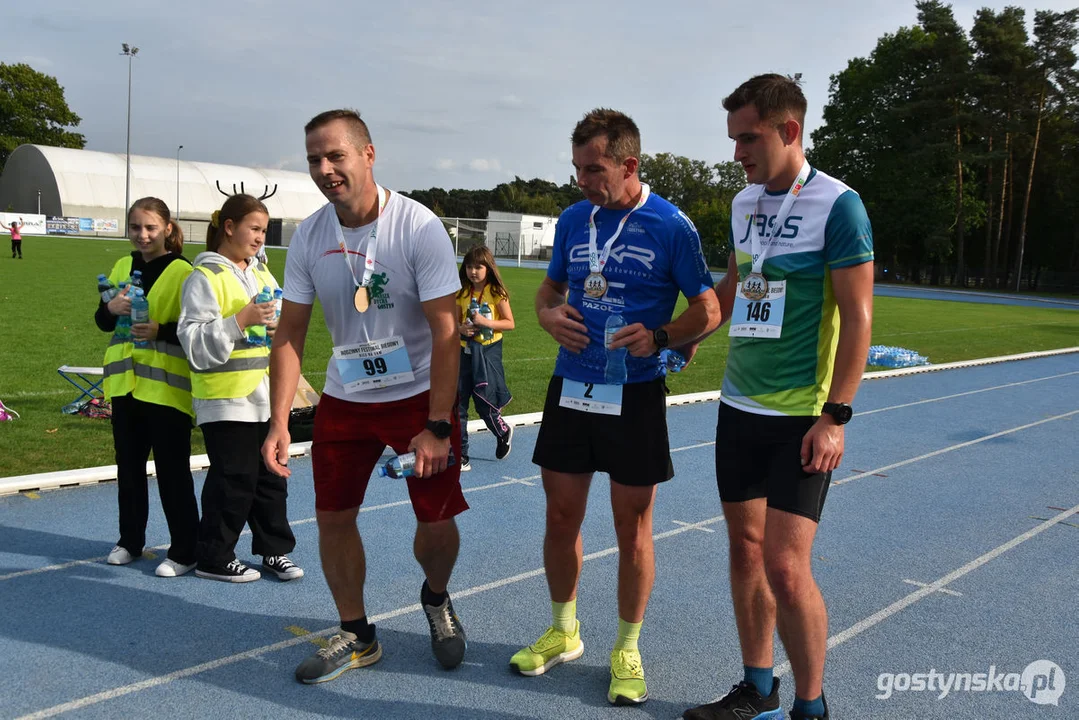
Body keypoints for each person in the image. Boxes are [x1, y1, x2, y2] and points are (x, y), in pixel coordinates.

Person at [512, 108, 721, 706]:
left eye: (593, 168)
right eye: (577, 167)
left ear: (629, 165)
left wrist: (660, 337)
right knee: (560, 517)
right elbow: (550, 290)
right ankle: (563, 630)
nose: (581, 180)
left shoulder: (671, 225)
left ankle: (627, 646)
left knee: (632, 528)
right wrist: (548, 315)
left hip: (633, 394)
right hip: (572, 388)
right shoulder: (576, 219)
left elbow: (707, 310)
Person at [681, 74, 874, 720]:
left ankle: (810, 706)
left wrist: (835, 416)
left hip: (799, 418)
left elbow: (857, 319)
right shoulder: (742, 206)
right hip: (737, 408)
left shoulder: (838, 205)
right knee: (743, 550)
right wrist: (676, 335)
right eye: (732, 139)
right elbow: (731, 291)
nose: (735, 153)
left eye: (747, 138)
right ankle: (756, 685)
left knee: (786, 569)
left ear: (788, 131)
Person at [261, 109, 468, 684]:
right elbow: (291, 332)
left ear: (368, 154)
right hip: (346, 397)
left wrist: (439, 425)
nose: (325, 170)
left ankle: (436, 596)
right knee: (332, 518)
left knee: (435, 522)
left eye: (336, 156)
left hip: (418, 396)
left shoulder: (419, 227)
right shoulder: (309, 234)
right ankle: (358, 632)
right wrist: (279, 422)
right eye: (313, 160)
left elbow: (448, 333)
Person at [178, 194, 302, 584]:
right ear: (228, 227)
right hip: (224, 397)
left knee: (270, 477)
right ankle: (214, 556)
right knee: (234, 479)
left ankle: (274, 551)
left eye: (264, 230)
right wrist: (240, 320)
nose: (260, 237)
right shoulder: (204, 278)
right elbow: (193, 342)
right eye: (254, 228)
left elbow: (279, 323)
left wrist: (271, 326)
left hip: (265, 396)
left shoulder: (263, 274)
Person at [95, 197, 200, 578]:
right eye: (136, 227)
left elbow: (195, 331)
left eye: (150, 227)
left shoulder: (183, 271)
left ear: (168, 229)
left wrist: (161, 331)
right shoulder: (122, 265)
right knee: (129, 471)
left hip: (167, 392)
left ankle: (186, 550)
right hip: (125, 387)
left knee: (173, 474)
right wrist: (110, 310)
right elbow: (103, 323)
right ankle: (130, 541)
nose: (142, 235)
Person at [455, 244, 515, 471]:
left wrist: (486, 323)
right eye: (469, 266)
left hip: (487, 353)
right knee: (458, 404)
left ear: (488, 268)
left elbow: (510, 323)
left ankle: (502, 431)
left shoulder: (496, 293)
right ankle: (462, 455)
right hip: (463, 353)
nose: (473, 271)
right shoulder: (460, 292)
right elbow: (454, 321)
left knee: (484, 403)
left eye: (478, 267)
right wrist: (460, 329)